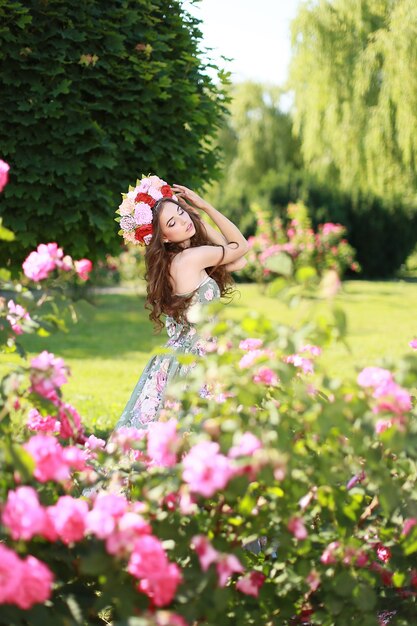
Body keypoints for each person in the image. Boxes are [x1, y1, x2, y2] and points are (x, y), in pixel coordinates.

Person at [114, 177, 249, 431]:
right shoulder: (190, 258)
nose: (184, 220)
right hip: (200, 358)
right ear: (163, 237)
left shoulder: (175, 260)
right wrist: (205, 208)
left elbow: (237, 262)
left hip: (181, 356)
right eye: (173, 223)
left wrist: (195, 219)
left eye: (181, 211)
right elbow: (240, 247)